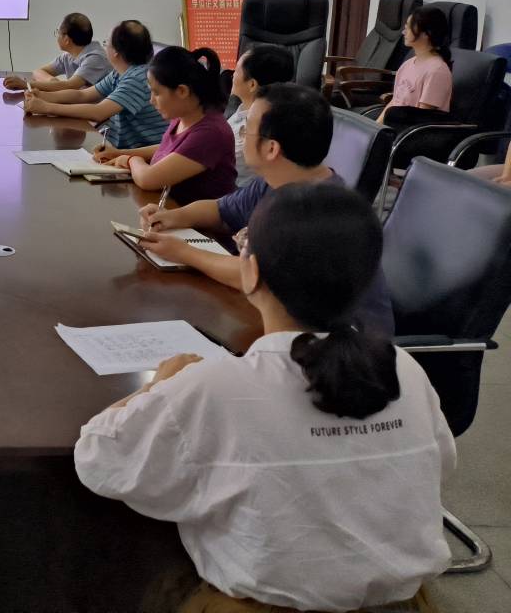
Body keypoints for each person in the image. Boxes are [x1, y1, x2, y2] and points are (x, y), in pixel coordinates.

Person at [75, 183, 453, 613]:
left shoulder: (217, 386)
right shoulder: (405, 369)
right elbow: (439, 465)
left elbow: (98, 459)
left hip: (266, 605)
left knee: (145, 573)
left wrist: (157, 386)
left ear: (250, 272)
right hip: (404, 603)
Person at [137, 83, 394, 335]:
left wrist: (183, 252)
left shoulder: (317, 213)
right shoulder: (275, 180)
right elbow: (221, 211)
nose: (240, 136)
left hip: (345, 347)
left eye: (246, 130)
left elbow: (254, 276)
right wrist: (173, 216)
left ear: (271, 148)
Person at [92, 46, 235, 204]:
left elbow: (148, 179)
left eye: (157, 93)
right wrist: (119, 153)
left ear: (182, 91)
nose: (151, 100)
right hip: (168, 207)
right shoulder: (184, 116)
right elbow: (169, 150)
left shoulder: (210, 133)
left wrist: (130, 160)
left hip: (191, 218)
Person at [22, 19, 166, 149]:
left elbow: (98, 112)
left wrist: (46, 107)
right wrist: (42, 96)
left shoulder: (137, 78)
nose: (105, 47)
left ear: (116, 52)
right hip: (117, 144)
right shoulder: (119, 73)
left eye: (106, 43)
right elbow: (82, 95)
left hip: (144, 155)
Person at [225, 44, 294, 185]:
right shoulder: (242, 110)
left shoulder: (253, 131)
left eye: (237, 71)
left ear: (252, 84)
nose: (232, 75)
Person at [378, 5, 453, 127]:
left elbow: (421, 119)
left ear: (426, 33)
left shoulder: (437, 71)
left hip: (412, 133)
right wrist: (376, 127)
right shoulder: (407, 64)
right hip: (395, 126)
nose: (404, 32)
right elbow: (394, 101)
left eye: (408, 27)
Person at [3, 12, 111, 92]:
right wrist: (52, 81)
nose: (56, 36)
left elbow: (70, 86)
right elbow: (37, 72)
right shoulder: (68, 56)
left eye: (58, 32)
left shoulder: (95, 58)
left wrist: (26, 84)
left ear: (66, 39)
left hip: (103, 114)